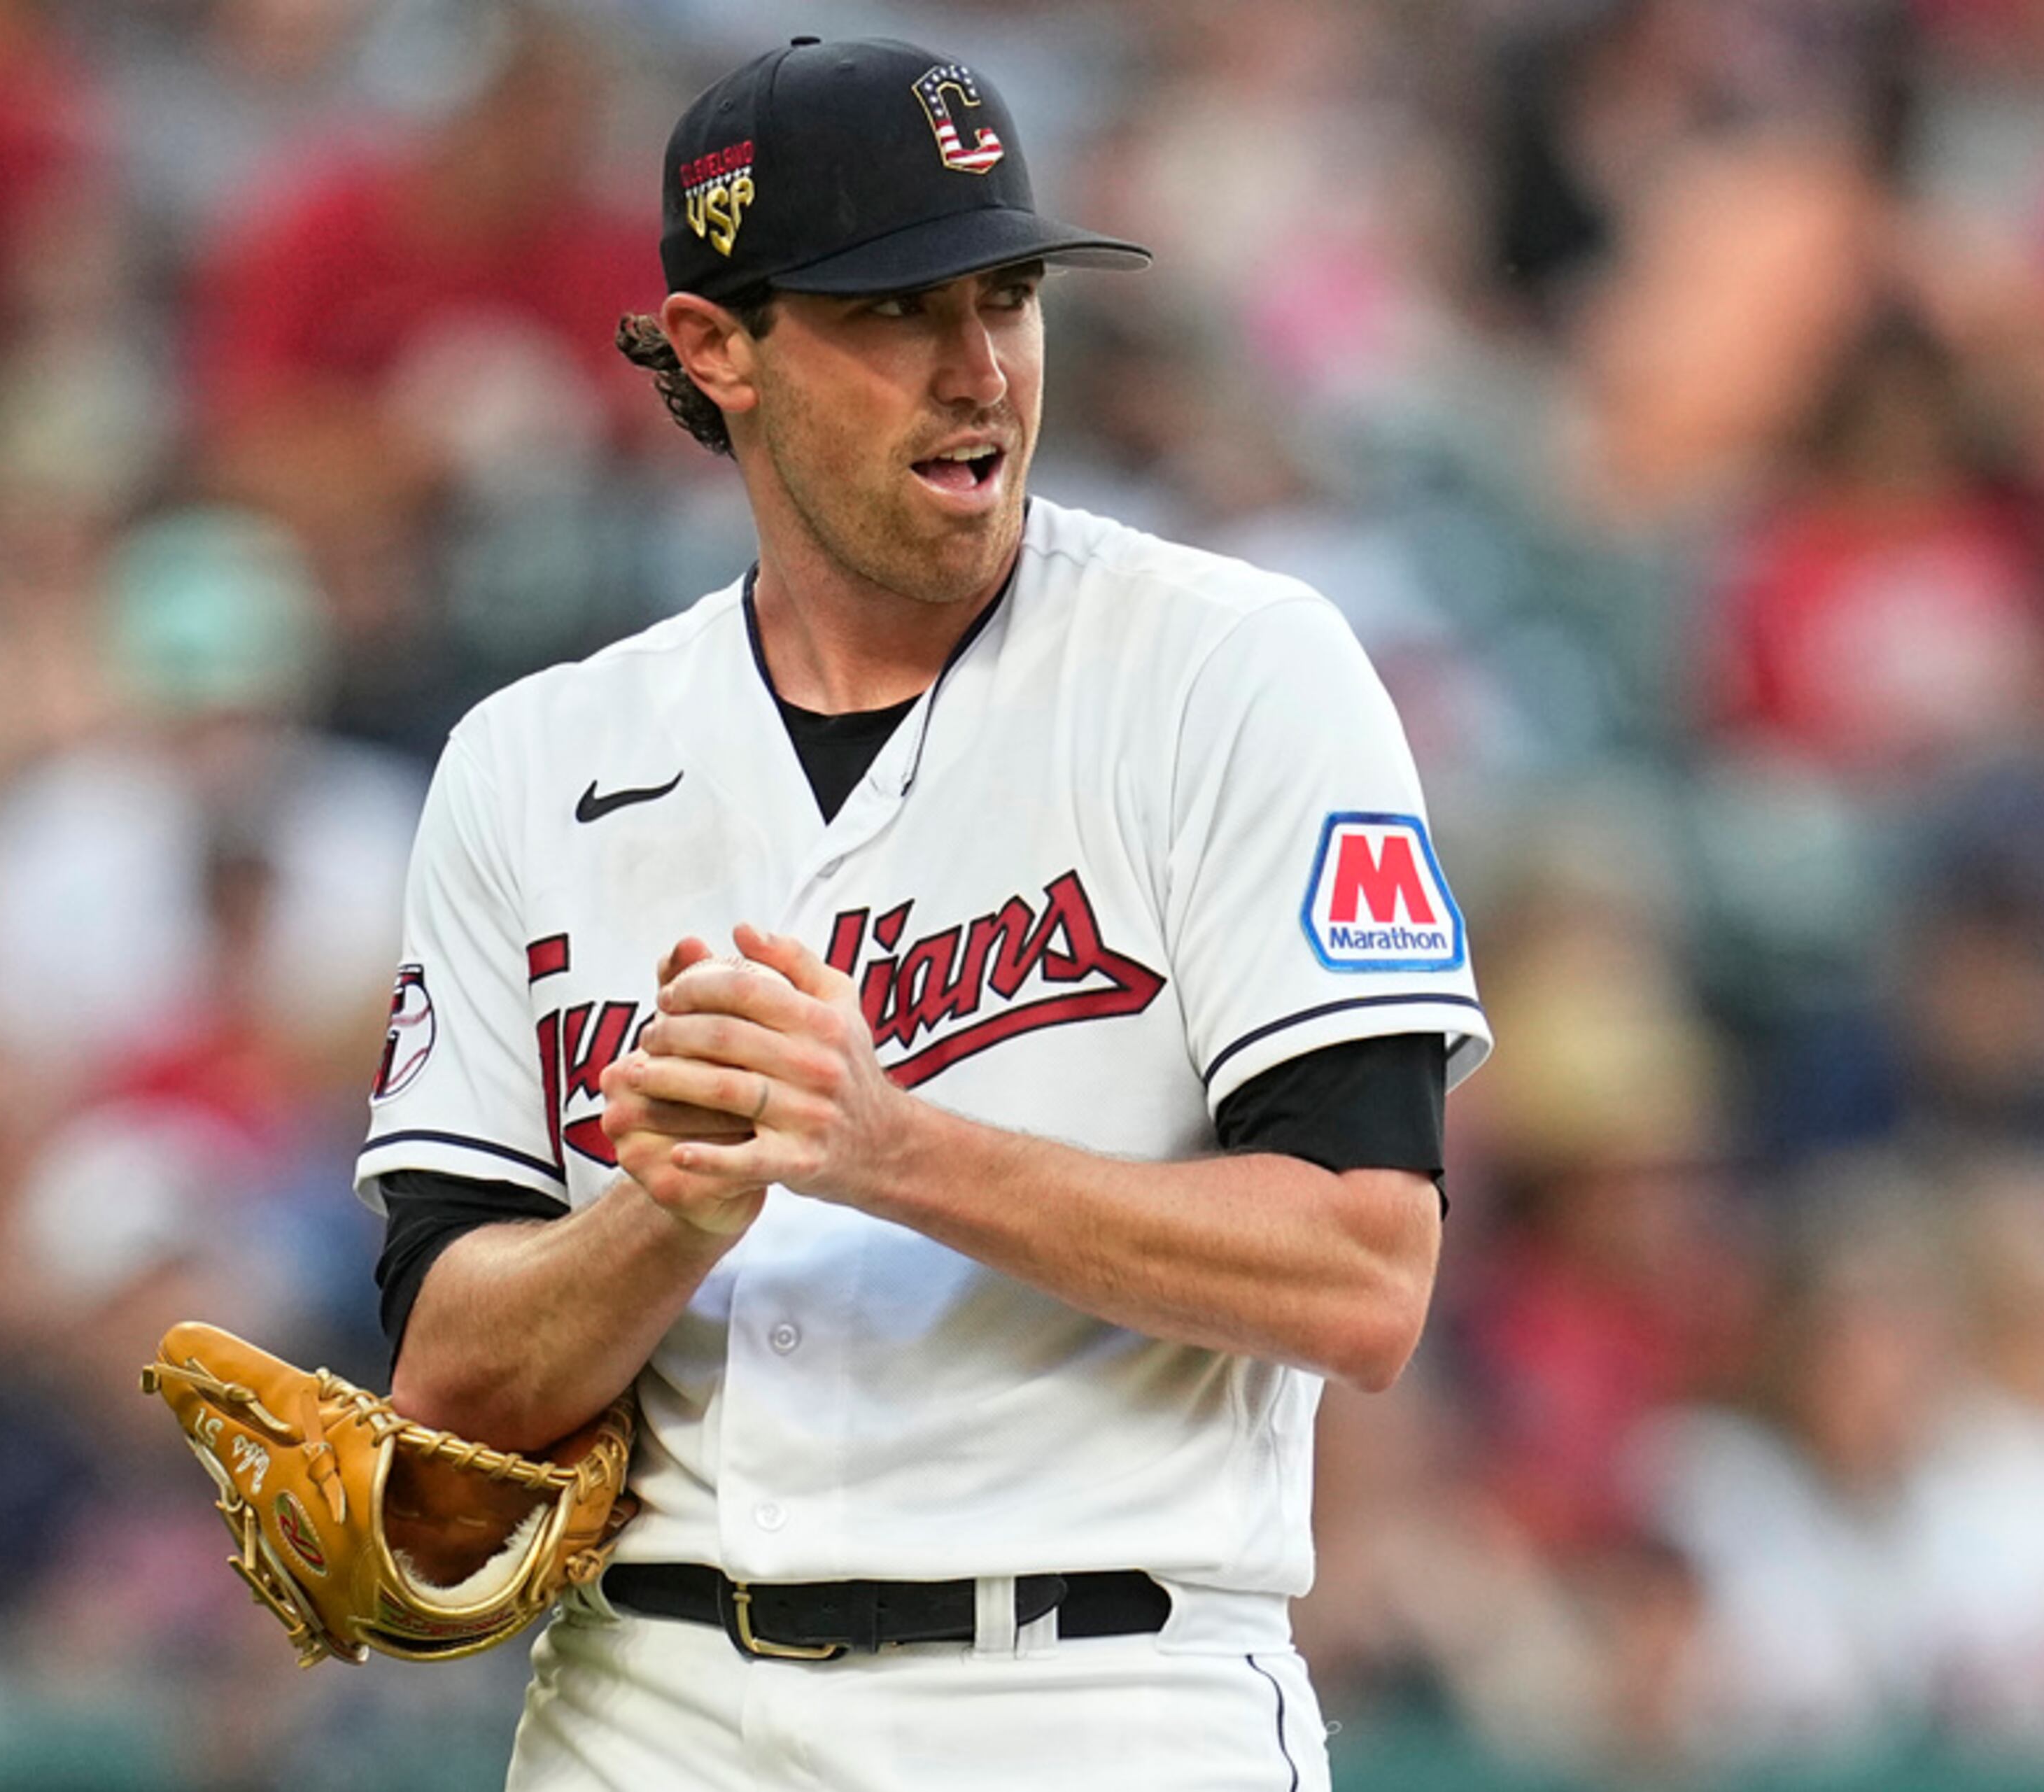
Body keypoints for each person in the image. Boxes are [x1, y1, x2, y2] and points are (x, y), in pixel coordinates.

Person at [360, 36, 1488, 1791]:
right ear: (715, 347)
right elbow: (453, 1389)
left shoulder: (1234, 672)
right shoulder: (534, 762)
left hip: (1097, 1699)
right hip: (647, 1710)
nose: (980, 373)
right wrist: (669, 1213)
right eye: (894, 313)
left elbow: (1365, 1271)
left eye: (1008, 295)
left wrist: (889, 1147)